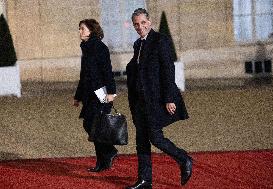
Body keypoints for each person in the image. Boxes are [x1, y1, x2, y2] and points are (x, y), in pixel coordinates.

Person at [125, 8, 193, 189]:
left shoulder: (160, 40)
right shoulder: (137, 44)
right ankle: (145, 180)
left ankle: (184, 158)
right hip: (139, 101)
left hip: (155, 100)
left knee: (155, 137)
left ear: (150, 22)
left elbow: (168, 70)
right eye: (136, 24)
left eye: (143, 23)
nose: (140, 27)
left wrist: (170, 98)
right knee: (141, 141)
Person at [73, 19, 117, 173]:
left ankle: (107, 154)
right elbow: (84, 75)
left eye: (82, 29)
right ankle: (104, 159)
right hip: (89, 96)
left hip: (101, 94)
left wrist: (111, 93)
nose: (80, 31)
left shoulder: (99, 47)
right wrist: (78, 96)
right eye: (79, 29)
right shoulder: (86, 47)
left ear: (91, 30)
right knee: (92, 126)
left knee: (94, 126)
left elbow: (107, 71)